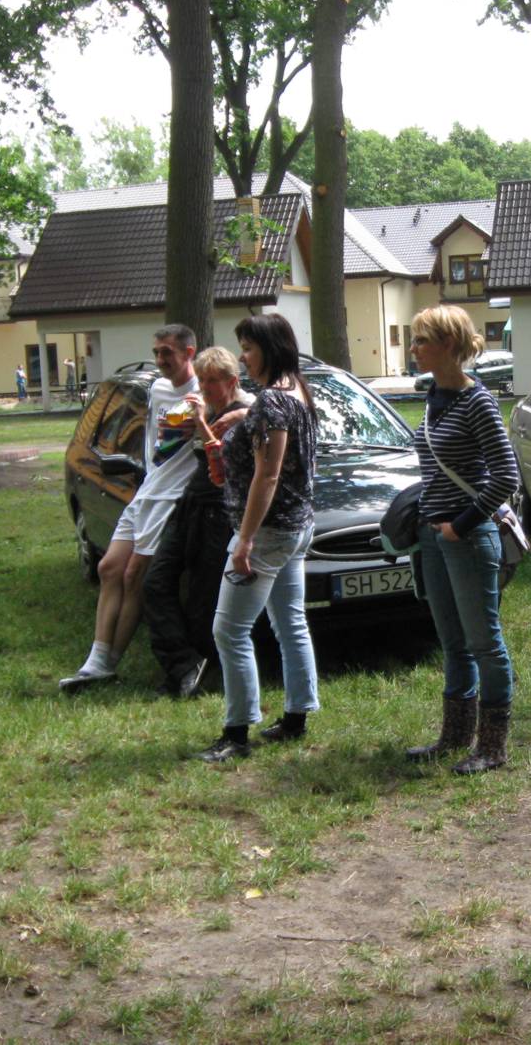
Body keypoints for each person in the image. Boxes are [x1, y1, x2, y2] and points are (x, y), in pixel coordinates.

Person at [197, 315, 319, 762]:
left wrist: (245, 541)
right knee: (290, 622)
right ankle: (296, 716)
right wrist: (244, 415)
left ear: (270, 348)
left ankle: (236, 733)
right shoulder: (297, 388)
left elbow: (267, 476)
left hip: (269, 533)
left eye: (248, 348)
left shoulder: (271, 401)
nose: (243, 356)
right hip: (298, 526)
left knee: (229, 630)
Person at [404, 305, 520, 774]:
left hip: (467, 538)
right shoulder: (432, 397)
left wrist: (461, 524)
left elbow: (506, 475)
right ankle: (453, 737)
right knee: (452, 643)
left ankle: (492, 747)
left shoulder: (478, 402)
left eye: (421, 340)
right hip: (433, 537)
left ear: (448, 344)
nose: (413, 349)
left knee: (484, 643)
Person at [60, 325, 199, 692]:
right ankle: (96, 660)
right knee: (108, 567)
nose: (160, 359)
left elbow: (241, 405)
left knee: (134, 575)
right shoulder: (157, 389)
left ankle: (107, 663)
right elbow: (154, 448)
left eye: (167, 352)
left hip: (170, 499)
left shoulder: (203, 393)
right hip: (146, 493)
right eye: (156, 352)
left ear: (189, 352)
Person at [142, 347, 252, 697]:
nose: (204, 387)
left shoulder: (244, 411)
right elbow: (163, 450)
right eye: (201, 380)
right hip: (190, 503)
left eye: (212, 381)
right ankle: (183, 663)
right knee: (156, 582)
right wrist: (176, 427)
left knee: (203, 597)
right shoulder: (203, 407)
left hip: (220, 510)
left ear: (231, 381)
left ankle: (195, 673)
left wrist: (202, 423)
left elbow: (222, 464)